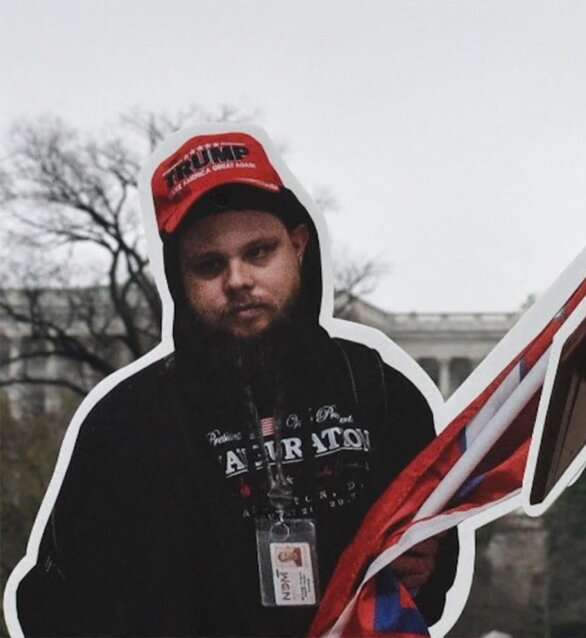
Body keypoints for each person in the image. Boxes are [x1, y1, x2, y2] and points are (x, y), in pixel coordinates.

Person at [9, 129, 456, 636]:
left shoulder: (380, 393)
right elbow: (52, 606)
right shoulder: (124, 423)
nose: (238, 279)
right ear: (180, 279)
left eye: (259, 252)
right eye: (210, 265)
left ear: (299, 247)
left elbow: (437, 570)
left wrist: (428, 565)